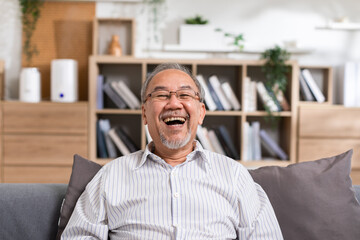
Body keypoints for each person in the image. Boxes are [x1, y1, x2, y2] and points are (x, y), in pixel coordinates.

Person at [61, 63, 283, 239]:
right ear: (145, 113)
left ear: (201, 112)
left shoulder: (235, 176)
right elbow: (79, 236)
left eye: (185, 95)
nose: (174, 103)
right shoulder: (111, 176)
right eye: (161, 95)